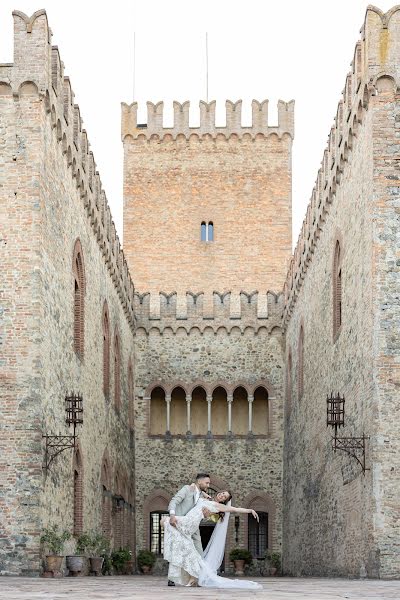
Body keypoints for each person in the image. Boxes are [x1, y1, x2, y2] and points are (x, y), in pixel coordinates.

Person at [162, 486, 262, 589]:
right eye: (223, 493)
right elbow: (198, 493)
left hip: (190, 524)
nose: (222, 495)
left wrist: (250, 510)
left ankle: (193, 577)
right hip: (187, 520)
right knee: (187, 548)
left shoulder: (218, 506)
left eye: (224, 497)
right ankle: (192, 578)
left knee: (165, 521)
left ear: (224, 501)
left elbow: (235, 509)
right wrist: (204, 494)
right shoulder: (207, 499)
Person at [166, 473, 212, 586]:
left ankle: (200, 578)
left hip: (193, 526)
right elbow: (174, 501)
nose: (208, 485)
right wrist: (172, 516)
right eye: (207, 483)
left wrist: (204, 495)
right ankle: (172, 578)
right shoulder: (187, 489)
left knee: (199, 550)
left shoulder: (201, 493)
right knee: (178, 551)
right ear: (199, 482)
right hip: (180, 524)